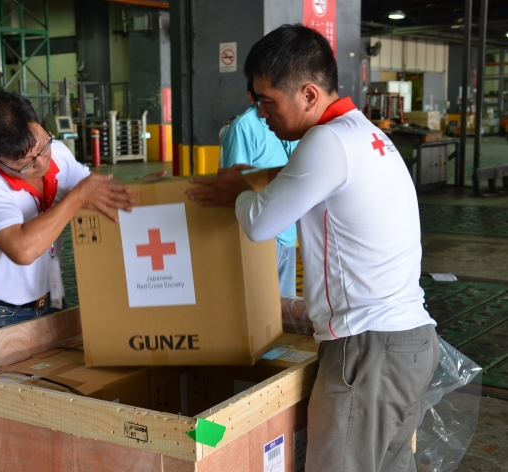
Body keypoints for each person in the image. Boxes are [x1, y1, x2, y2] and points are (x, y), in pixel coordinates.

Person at [187, 24, 438, 472]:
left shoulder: (326, 141)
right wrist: (255, 183)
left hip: (368, 350)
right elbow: (294, 181)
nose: (262, 115)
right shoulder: (366, 135)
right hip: (410, 343)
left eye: (268, 100)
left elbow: (260, 223)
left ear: (307, 93)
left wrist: (236, 192)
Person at [0, 89, 134, 336]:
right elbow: (22, 249)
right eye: (25, 161)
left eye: (42, 145)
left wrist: (144, 188)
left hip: (52, 297)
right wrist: (76, 198)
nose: (41, 162)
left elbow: (96, 190)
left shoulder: (58, 153)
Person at [220, 80, 299, 297]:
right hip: (262, 234)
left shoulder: (288, 123)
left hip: (288, 231)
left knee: (286, 317)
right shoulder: (243, 128)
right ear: (252, 97)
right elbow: (234, 184)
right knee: (262, 310)